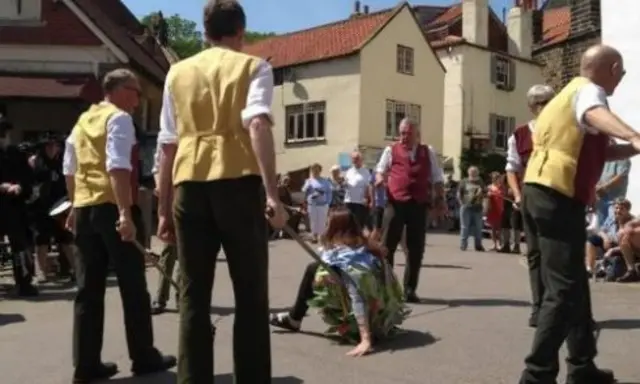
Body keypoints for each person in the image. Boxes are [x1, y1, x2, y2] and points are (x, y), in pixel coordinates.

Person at [154, 1, 287, 382]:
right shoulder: (254, 67)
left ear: (206, 32)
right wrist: (273, 196)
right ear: (241, 32)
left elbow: (167, 144)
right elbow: (257, 125)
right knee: (250, 294)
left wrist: (163, 210)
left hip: (190, 186)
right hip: (238, 184)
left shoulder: (176, 73)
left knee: (192, 296)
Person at [519, 44, 640, 384]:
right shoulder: (589, 92)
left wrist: (630, 145)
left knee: (575, 286)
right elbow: (593, 114)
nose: (623, 78)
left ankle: (582, 365)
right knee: (563, 289)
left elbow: (599, 147)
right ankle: (536, 375)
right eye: (623, 71)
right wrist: (633, 133)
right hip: (555, 195)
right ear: (612, 67)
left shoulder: (567, 94)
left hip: (540, 192)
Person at [63, 68, 176, 383]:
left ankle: (85, 364)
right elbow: (117, 165)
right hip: (112, 206)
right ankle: (143, 356)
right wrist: (125, 213)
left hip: (86, 208)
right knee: (133, 285)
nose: (138, 100)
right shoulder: (119, 118)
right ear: (116, 90)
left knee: (88, 289)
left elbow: (69, 167)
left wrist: (74, 205)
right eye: (135, 91)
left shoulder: (83, 121)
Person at [268, 208, 406, 357]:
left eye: (329, 225)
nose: (326, 228)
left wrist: (365, 339)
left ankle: (295, 319)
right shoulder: (360, 245)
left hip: (368, 314)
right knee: (314, 268)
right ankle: (295, 317)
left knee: (314, 269)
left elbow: (357, 297)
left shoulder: (352, 264)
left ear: (339, 231)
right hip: (371, 305)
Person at [375, 118, 445, 303]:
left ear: (417, 135)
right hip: (395, 203)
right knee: (387, 246)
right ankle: (387, 287)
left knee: (416, 249)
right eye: (402, 133)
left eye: (408, 133)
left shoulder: (427, 152)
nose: (404, 137)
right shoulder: (391, 150)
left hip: (418, 205)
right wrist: (380, 179)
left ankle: (409, 289)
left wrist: (440, 199)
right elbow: (380, 170)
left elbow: (437, 177)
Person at [505, 84, 556, 257]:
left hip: (558, 193)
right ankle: (539, 284)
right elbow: (512, 168)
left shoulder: (561, 129)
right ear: (532, 107)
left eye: (552, 101)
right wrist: (518, 195)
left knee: (554, 248)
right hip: (531, 195)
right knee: (534, 250)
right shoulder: (520, 134)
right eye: (543, 102)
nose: (549, 106)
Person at [29, 133, 75, 283]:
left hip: (61, 205)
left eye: (53, 145)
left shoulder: (64, 162)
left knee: (66, 239)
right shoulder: (35, 162)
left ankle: (78, 270)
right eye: (47, 146)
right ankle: (41, 273)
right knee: (41, 240)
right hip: (41, 206)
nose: (51, 148)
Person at [0, 117, 38, 296]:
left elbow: (28, 177)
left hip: (14, 206)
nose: (3, 136)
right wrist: (3, 186)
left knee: (20, 245)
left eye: (5, 132)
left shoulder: (16, 153)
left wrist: (20, 186)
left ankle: (24, 283)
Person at [150, 146, 179, 315]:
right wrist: (159, 186)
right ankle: (160, 297)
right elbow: (156, 167)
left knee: (185, 253)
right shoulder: (165, 141)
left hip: (186, 197)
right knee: (168, 251)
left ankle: (181, 297)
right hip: (169, 199)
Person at [585, 198, 633, 278]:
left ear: (627, 211)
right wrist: (605, 238)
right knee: (592, 239)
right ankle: (589, 269)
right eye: (616, 208)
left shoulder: (631, 223)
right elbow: (601, 230)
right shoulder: (611, 218)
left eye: (621, 209)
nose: (618, 211)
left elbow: (631, 245)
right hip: (610, 243)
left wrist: (613, 250)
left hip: (625, 249)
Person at [595, 139, 631, 225]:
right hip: (601, 198)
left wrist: (603, 187)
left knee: (613, 224)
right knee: (601, 226)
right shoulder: (602, 158)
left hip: (615, 200)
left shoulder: (623, 158)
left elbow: (620, 177)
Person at [302, 163, 332, 243]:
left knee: (322, 221)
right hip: (312, 204)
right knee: (313, 221)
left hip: (323, 204)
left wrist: (328, 202)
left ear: (320, 171)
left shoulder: (325, 181)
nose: (315, 172)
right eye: (313, 170)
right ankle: (314, 236)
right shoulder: (309, 181)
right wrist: (307, 187)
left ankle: (321, 237)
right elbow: (303, 191)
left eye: (317, 170)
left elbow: (329, 192)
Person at [457, 166, 485, 252]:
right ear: (468, 172)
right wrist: (461, 203)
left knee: (478, 227)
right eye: (472, 172)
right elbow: (459, 193)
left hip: (477, 208)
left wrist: (482, 193)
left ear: (477, 173)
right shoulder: (464, 181)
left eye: (475, 172)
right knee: (465, 227)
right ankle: (463, 245)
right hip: (466, 207)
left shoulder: (480, 182)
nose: (473, 173)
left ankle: (478, 245)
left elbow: (485, 192)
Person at [344, 151, 372, 229]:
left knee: (358, 224)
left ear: (361, 160)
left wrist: (366, 197)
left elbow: (368, 186)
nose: (354, 160)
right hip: (349, 200)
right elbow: (346, 183)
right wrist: (344, 184)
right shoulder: (349, 171)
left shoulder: (365, 172)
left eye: (356, 158)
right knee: (348, 222)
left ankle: (358, 239)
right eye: (353, 159)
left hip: (360, 202)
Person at [485, 172, 505, 251]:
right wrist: (488, 194)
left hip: (500, 208)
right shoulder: (489, 187)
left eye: (498, 178)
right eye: (495, 178)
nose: (497, 180)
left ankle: (500, 244)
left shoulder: (502, 187)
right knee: (493, 228)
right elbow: (486, 196)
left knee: (500, 228)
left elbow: (504, 195)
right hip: (492, 208)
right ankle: (494, 244)